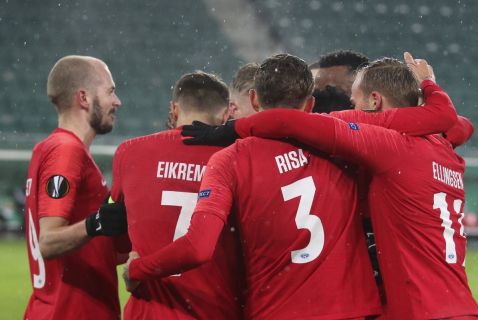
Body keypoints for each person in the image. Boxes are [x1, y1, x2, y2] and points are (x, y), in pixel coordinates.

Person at [211, 54, 478, 319]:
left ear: (375, 100)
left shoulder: (390, 147)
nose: (351, 104)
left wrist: (232, 130)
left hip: (421, 310)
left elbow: (290, 121)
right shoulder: (444, 145)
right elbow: (460, 125)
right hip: (462, 306)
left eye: (355, 98)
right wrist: (426, 89)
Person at [124, 54, 382, 319]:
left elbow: (198, 247)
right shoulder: (344, 148)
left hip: (275, 310)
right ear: (310, 104)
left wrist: (136, 270)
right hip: (347, 310)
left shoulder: (230, 160)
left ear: (254, 99)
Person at [111, 71, 244, 320]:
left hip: (147, 311)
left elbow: (119, 243)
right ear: (227, 114)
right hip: (213, 310)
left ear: (173, 109)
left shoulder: (130, 153)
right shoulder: (238, 159)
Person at [24, 55, 129, 320]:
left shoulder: (54, 148)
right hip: (70, 312)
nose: (117, 102)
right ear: (83, 98)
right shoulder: (66, 151)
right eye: (110, 92)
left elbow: (101, 252)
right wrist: (97, 223)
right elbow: (48, 242)